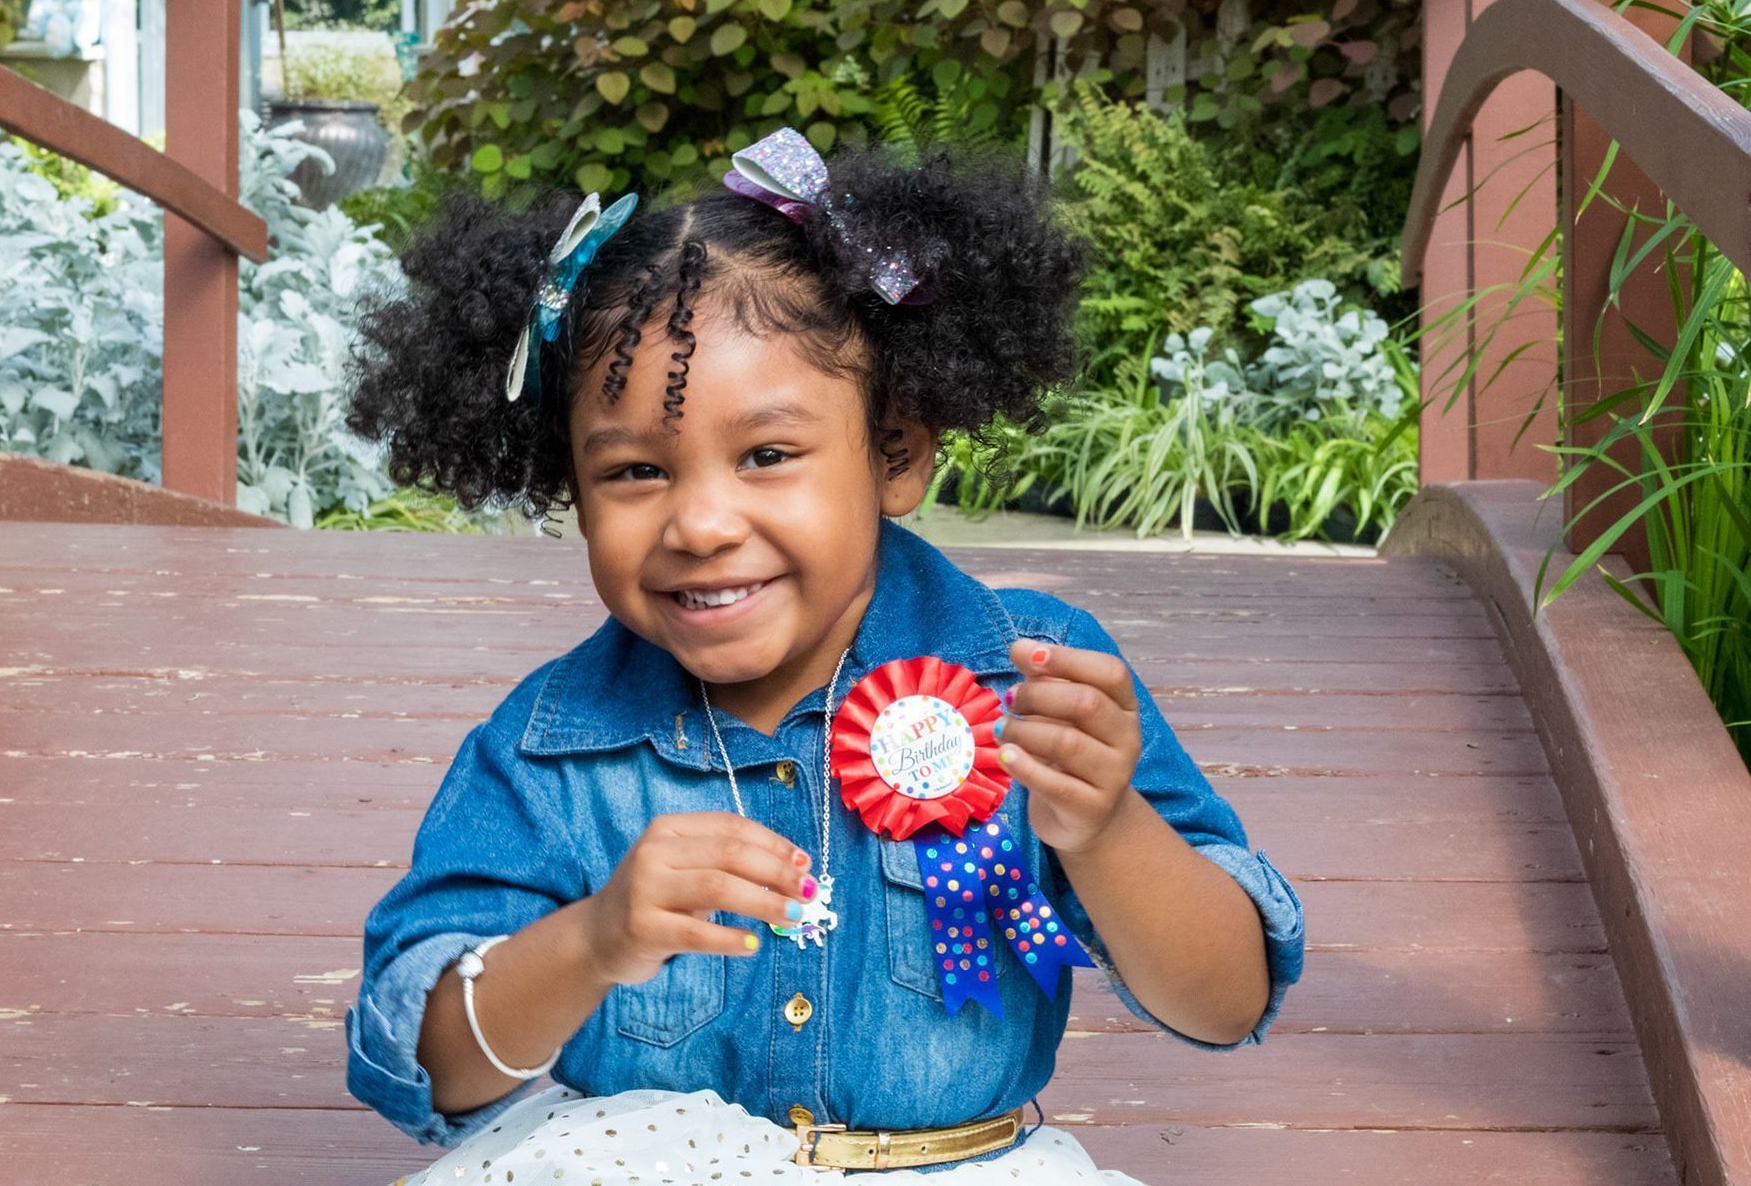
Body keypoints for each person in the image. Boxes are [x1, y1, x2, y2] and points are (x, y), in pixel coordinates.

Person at [339, 128, 1305, 1183]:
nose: (701, 522)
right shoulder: (549, 746)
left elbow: (1228, 1001)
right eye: (633, 472)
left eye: (767, 455)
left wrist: (1108, 828)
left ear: (895, 452)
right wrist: (593, 938)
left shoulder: (1036, 680)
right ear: (569, 486)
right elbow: (423, 1066)